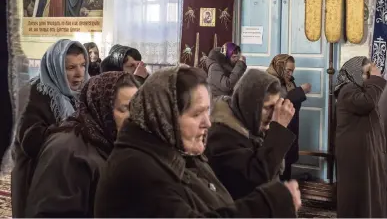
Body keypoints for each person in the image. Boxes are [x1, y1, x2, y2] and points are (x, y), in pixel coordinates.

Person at [94, 66, 301, 217]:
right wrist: (270, 203)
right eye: (196, 114)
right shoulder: (137, 169)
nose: (208, 123)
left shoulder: (180, 153)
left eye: (207, 112)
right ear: (166, 116)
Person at [25, 72, 139, 217]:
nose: (133, 117)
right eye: (124, 109)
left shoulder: (110, 140)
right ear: (101, 107)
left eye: (136, 108)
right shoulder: (67, 150)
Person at [11, 39, 89, 218]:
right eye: (70, 68)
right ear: (54, 67)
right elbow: (32, 143)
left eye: (83, 65)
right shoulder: (32, 93)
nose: (79, 74)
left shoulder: (83, 92)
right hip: (36, 177)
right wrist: (75, 128)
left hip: (68, 178)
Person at [206, 69, 296, 200]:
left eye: (275, 107)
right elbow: (255, 181)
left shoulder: (252, 127)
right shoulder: (222, 135)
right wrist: (279, 129)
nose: (273, 114)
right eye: (267, 107)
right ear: (249, 104)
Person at [335, 56, 387, 218]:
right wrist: (376, 79)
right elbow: (367, 103)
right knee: (358, 195)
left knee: (369, 191)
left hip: (363, 150)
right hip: (355, 152)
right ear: (354, 73)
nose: (369, 77)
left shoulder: (356, 89)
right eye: (366, 74)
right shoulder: (347, 89)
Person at [266, 54, 311, 181]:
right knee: (277, 169)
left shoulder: (289, 82)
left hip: (289, 129)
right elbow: (279, 103)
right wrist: (300, 91)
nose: (290, 74)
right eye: (288, 70)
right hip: (277, 130)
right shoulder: (269, 81)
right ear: (279, 67)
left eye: (292, 70)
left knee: (287, 168)